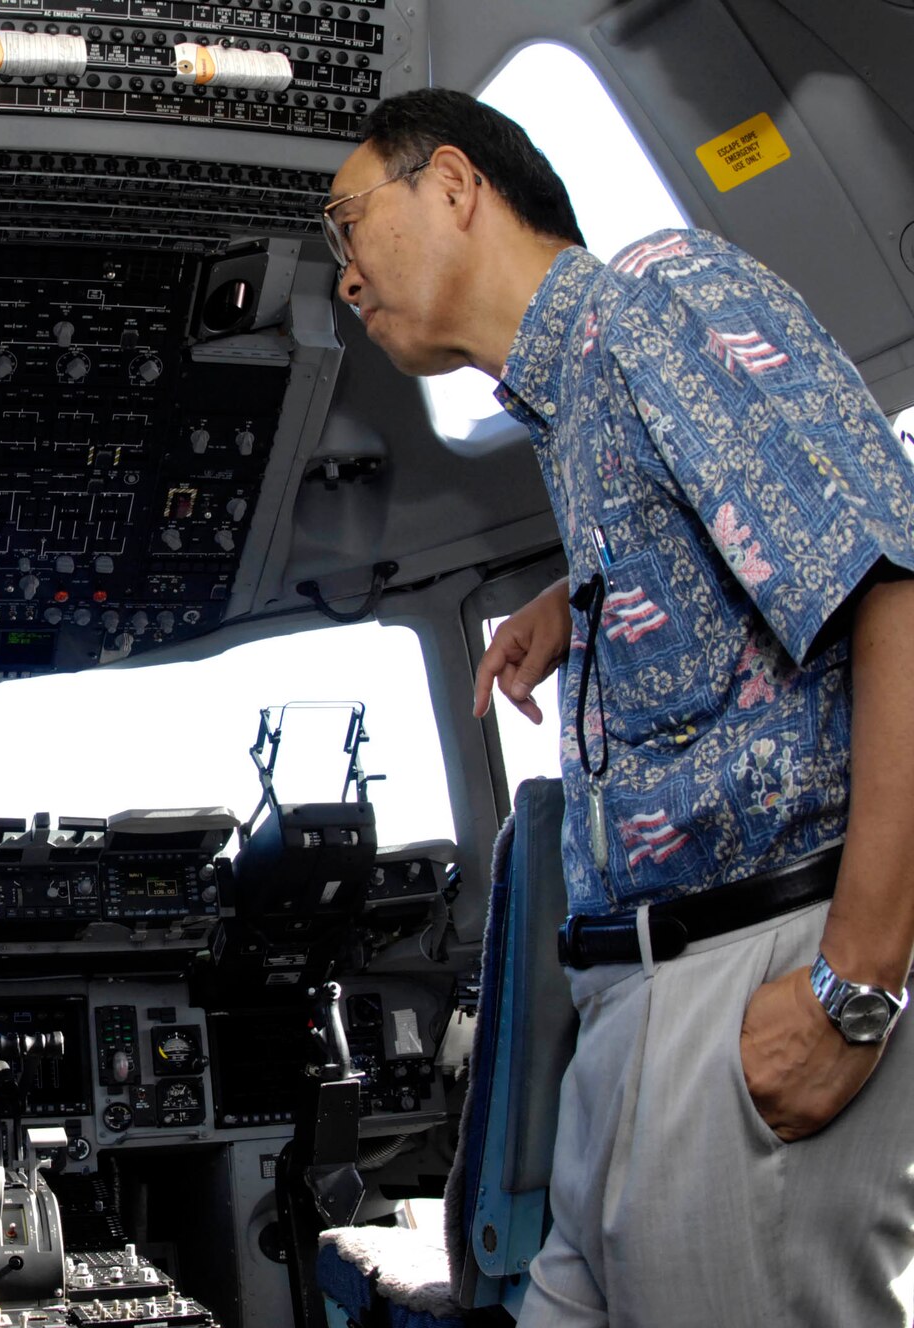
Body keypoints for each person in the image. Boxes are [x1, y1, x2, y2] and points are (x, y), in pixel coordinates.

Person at [327, 88, 914, 1324]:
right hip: (621, 1016)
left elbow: (894, 593)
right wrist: (573, 600)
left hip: (748, 980)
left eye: (346, 225)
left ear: (450, 183)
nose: (342, 279)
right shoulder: (578, 401)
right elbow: (740, 553)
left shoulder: (658, 297)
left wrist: (852, 992)